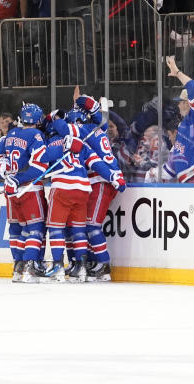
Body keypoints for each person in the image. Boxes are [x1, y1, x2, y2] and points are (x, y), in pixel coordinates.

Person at [53, 94, 126, 281]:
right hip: (100, 180)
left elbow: (61, 127)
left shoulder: (84, 130)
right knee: (85, 225)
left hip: (102, 180)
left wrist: (55, 117)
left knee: (91, 226)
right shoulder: (93, 128)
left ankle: (103, 265)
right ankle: (91, 262)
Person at [0, 103, 51, 283]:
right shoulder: (36, 135)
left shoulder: (11, 134)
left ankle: (18, 267)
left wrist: (3, 172)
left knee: (16, 229)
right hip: (29, 189)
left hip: (10, 191)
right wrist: (19, 179)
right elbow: (40, 167)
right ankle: (31, 266)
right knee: (35, 229)